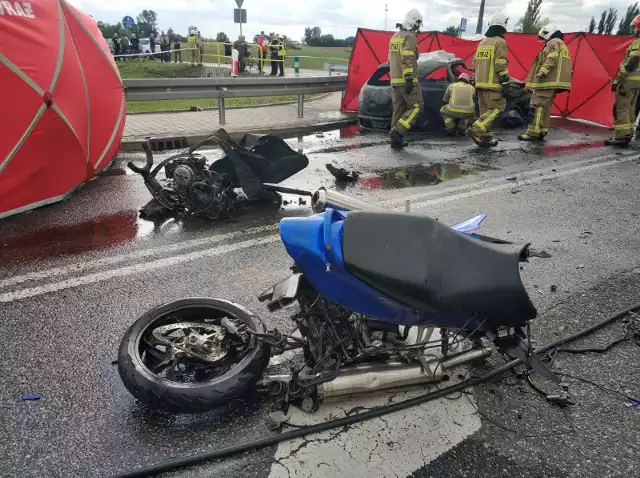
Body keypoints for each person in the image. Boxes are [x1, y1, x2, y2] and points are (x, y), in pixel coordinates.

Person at [518, 25, 572, 141]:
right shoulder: (560, 43)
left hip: (547, 80)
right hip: (553, 81)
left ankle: (533, 132)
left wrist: (542, 72)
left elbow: (552, 58)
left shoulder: (553, 42)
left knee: (538, 105)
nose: (544, 41)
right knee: (545, 106)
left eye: (544, 38)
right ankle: (542, 129)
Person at [468, 11, 510, 148]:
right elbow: (500, 63)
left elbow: (474, 64)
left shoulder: (482, 43)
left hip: (480, 84)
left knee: (485, 112)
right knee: (497, 109)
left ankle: (485, 138)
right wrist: (505, 82)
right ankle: (476, 128)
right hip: (493, 84)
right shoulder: (500, 42)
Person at [388, 9, 423, 148]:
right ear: (416, 22)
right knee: (417, 107)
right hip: (406, 80)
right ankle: (398, 132)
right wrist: (409, 78)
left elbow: (390, 60)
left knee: (399, 110)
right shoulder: (410, 36)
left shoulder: (394, 36)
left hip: (395, 80)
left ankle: (395, 140)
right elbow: (408, 57)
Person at [606, 15, 640, 146]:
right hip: (637, 83)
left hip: (629, 81)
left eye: (635, 27)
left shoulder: (638, 43)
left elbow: (633, 59)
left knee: (622, 107)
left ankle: (621, 136)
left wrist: (619, 79)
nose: (634, 30)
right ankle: (628, 132)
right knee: (630, 107)